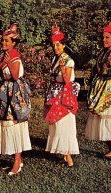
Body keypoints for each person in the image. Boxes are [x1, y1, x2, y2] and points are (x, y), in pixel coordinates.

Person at [85, 21, 111, 164]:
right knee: (103, 119)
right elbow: (97, 70)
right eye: (103, 37)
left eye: (107, 37)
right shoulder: (101, 54)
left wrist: (110, 67)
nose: (104, 40)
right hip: (100, 88)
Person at [0, 22, 32, 176]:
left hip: (15, 93)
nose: (3, 43)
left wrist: (8, 62)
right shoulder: (6, 55)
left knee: (15, 123)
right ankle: (15, 157)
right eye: (3, 40)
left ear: (13, 43)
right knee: (7, 122)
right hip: (6, 91)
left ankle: (17, 160)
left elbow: (15, 76)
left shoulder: (14, 56)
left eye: (6, 41)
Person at [43, 22, 80, 167]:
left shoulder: (68, 60)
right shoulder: (56, 59)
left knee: (65, 123)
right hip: (55, 92)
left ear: (64, 45)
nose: (56, 48)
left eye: (58, 45)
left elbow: (66, 80)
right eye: (54, 45)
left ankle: (68, 156)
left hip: (64, 95)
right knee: (57, 124)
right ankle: (64, 154)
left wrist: (63, 68)